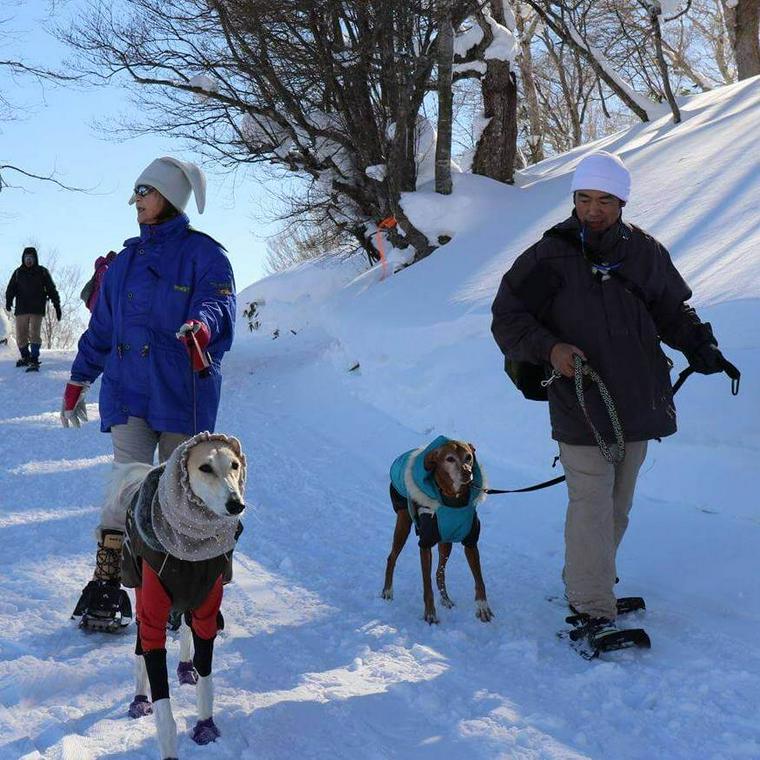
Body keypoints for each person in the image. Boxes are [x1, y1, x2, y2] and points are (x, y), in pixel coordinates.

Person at [491, 151, 735, 647]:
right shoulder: (548, 256)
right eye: (584, 199)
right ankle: (591, 605)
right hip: (579, 396)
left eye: (604, 199)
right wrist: (550, 348)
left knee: (617, 506)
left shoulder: (644, 252)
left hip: (638, 395)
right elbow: (508, 317)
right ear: (574, 200)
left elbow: (672, 310)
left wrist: (700, 346)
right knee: (591, 503)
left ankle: (590, 582)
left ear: (622, 201)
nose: (593, 209)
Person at [63, 156, 237, 631]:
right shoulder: (122, 265)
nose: (135, 201)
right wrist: (79, 380)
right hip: (128, 393)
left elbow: (219, 304)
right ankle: (106, 584)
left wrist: (202, 326)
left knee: (185, 492)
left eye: (144, 191)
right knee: (125, 485)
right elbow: (101, 329)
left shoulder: (205, 255)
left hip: (182, 393)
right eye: (136, 192)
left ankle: (192, 585)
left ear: (169, 195)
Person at [5, 246, 61, 371]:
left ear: (35, 259)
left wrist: (57, 305)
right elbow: (11, 288)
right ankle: (26, 357)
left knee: (34, 334)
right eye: (26, 258)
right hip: (21, 309)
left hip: (37, 309)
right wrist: (9, 300)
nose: (28, 260)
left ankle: (34, 358)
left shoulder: (42, 272)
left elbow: (51, 289)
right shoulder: (18, 273)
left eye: (31, 258)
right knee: (20, 336)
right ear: (23, 259)